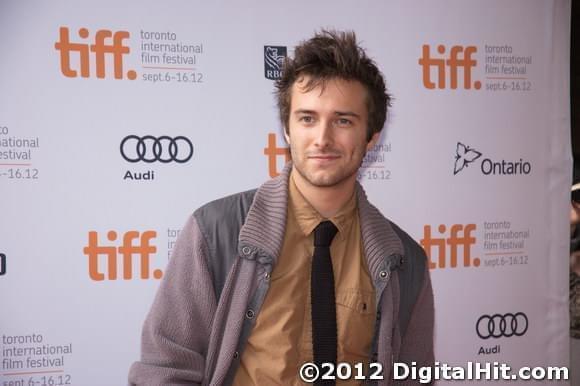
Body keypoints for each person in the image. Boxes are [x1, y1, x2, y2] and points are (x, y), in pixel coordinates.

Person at [128, 30, 434, 386]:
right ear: (287, 131)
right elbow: (165, 370)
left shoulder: (405, 261)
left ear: (371, 137)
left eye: (343, 120)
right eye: (307, 118)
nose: (322, 138)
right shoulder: (215, 233)